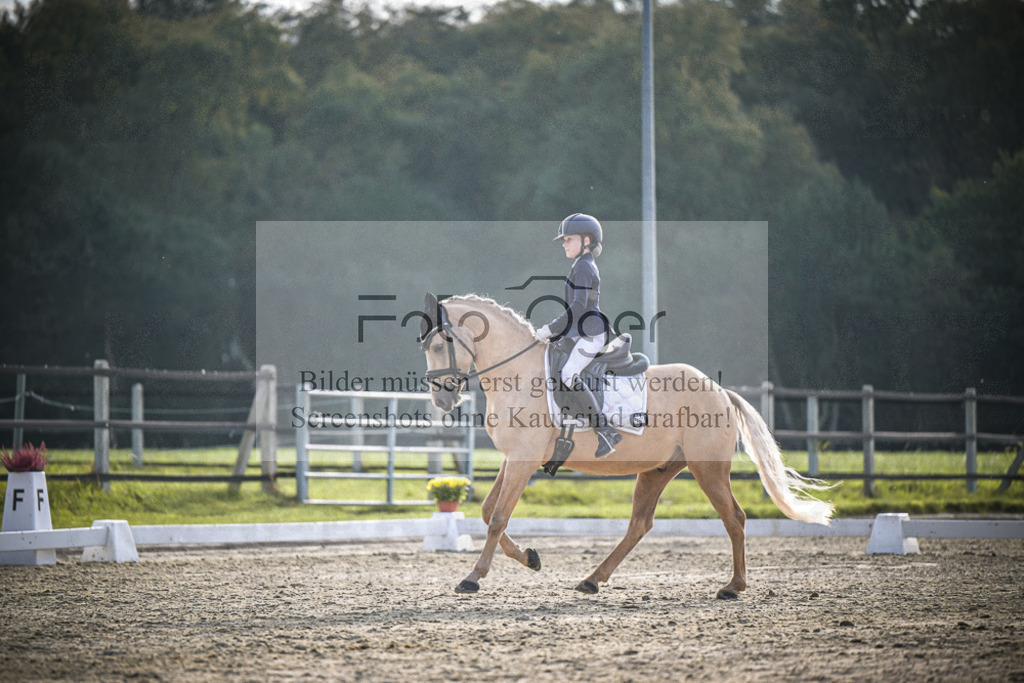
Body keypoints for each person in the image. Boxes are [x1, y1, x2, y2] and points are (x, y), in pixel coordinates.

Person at [534, 213, 622, 458]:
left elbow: (578, 307)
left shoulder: (584, 266)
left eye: (569, 239)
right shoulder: (580, 264)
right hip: (581, 330)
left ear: (587, 240)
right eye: (564, 239)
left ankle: (605, 431)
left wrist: (551, 329)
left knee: (569, 374)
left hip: (591, 333)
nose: (564, 243)